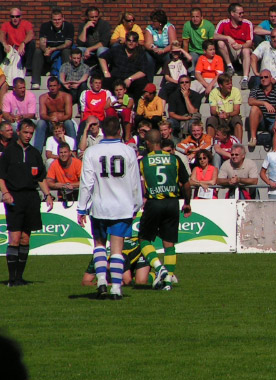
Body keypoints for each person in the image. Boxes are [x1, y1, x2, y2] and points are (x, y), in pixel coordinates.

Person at [77, 116, 143, 300]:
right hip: (122, 207)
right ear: (120, 130)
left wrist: (82, 208)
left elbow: (86, 183)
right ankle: (115, 288)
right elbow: (135, 182)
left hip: (99, 207)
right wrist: (137, 204)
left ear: (103, 131)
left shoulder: (92, 152)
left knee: (99, 246)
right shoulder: (128, 151)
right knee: (117, 249)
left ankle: (101, 283)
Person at [0, 119, 54, 286]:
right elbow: (1, 176)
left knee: (25, 240)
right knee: (14, 238)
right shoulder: (9, 152)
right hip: (14, 197)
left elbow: (40, 177)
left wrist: (48, 195)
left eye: (31, 133)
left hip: (31, 198)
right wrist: (6, 193)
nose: (28, 136)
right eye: (25, 132)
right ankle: (12, 278)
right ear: (19, 132)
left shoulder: (34, 153)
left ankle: (20, 277)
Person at [139, 129, 191, 290]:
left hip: (154, 202)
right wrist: (187, 202)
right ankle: (167, 281)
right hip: (172, 202)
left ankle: (159, 268)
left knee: (144, 239)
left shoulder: (143, 160)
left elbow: (140, 184)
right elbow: (186, 183)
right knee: (169, 244)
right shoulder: (174, 159)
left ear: (148, 143)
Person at [99, 31, 148, 100]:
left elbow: (143, 71)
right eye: (129, 40)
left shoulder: (141, 53)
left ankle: (136, 107)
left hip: (131, 79)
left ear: (137, 43)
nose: (131, 42)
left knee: (142, 82)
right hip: (116, 77)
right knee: (106, 80)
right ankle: (106, 104)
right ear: (125, 41)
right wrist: (106, 72)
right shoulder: (117, 49)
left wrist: (130, 79)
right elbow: (102, 57)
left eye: (133, 41)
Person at [32, 10, 74, 89]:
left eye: (59, 19)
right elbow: (42, 42)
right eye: (55, 20)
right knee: (38, 51)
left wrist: (54, 49)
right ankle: (36, 82)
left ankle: (67, 79)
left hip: (61, 51)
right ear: (51, 20)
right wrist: (45, 50)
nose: (57, 22)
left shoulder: (69, 26)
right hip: (49, 52)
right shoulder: (45, 26)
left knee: (66, 51)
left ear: (63, 19)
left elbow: (68, 43)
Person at [215, 3, 253, 89]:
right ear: (232, 13)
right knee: (220, 42)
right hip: (230, 51)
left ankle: (245, 79)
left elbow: (249, 42)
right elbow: (214, 36)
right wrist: (227, 37)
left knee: (246, 50)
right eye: (240, 13)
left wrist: (241, 46)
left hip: (242, 50)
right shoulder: (223, 23)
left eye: (243, 13)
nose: (242, 15)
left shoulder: (247, 23)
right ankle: (230, 67)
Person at [249, 28, 276, 99]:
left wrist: (275, 78)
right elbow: (253, 57)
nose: (275, 39)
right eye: (273, 37)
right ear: (270, 37)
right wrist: (256, 72)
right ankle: (255, 102)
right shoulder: (264, 45)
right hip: (264, 76)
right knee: (257, 79)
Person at [34, 77, 75, 153]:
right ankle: (37, 153)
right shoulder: (43, 97)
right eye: (50, 86)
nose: (52, 88)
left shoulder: (66, 96)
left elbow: (69, 115)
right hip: (50, 124)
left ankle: (75, 149)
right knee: (41, 123)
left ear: (59, 86)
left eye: (54, 86)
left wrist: (58, 119)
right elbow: (42, 114)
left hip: (63, 123)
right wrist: (50, 118)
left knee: (69, 123)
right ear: (48, 87)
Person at [247, 69, 276, 148]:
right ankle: (253, 138)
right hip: (262, 119)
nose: (263, 79)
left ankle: (275, 152)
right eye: (261, 78)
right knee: (254, 108)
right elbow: (250, 101)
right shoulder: (256, 89)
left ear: (271, 78)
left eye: (266, 77)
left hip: (274, 119)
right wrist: (264, 103)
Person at [206, 73, 242, 141]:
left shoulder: (236, 91)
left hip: (231, 117)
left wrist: (227, 114)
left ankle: (238, 145)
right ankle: (209, 145)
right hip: (219, 117)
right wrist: (219, 114)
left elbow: (237, 111)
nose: (230, 86)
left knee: (237, 120)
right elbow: (213, 111)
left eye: (231, 83)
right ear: (220, 85)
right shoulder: (213, 93)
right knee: (211, 120)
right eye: (227, 84)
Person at [144, 9, 177, 82]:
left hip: (166, 51)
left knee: (169, 57)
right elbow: (147, 43)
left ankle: (167, 80)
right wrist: (153, 48)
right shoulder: (149, 28)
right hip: (154, 52)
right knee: (148, 58)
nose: (152, 23)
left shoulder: (169, 27)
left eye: (154, 21)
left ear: (160, 22)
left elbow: (173, 44)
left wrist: (163, 50)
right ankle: (149, 82)